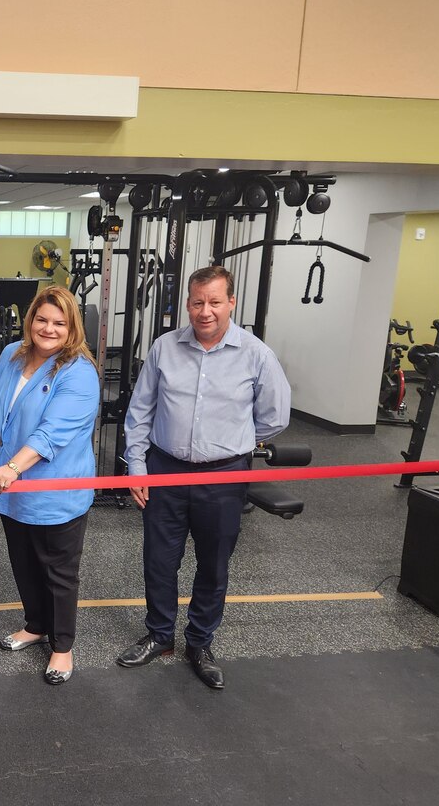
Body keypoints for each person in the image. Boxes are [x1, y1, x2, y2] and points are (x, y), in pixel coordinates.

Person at [117, 265, 291, 689]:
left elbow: (273, 418)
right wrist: (136, 467)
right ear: (187, 304)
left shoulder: (256, 355)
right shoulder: (164, 348)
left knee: (213, 565)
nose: (205, 311)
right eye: (197, 302)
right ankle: (160, 635)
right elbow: (139, 413)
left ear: (232, 302)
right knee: (159, 560)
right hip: (164, 471)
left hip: (224, 477)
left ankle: (199, 642)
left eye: (215, 301)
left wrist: (231, 444)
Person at [0, 286, 100, 685]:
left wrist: (12, 466)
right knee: (24, 562)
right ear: (30, 319)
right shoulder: (11, 354)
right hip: (10, 487)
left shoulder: (79, 371)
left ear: (72, 328)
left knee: (59, 571)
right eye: (42, 319)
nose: (48, 329)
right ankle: (35, 625)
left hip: (54, 492)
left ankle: (62, 647)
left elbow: (53, 433)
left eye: (59, 323)